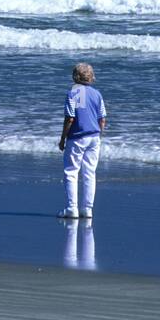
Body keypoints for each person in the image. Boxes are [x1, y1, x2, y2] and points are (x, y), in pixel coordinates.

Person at [59, 62, 107, 218]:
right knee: (89, 173)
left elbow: (70, 118)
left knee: (71, 172)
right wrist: (99, 135)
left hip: (77, 137)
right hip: (94, 136)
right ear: (91, 77)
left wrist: (63, 138)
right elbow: (102, 119)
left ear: (75, 77)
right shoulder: (97, 94)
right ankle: (87, 208)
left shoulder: (73, 92)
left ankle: (71, 208)